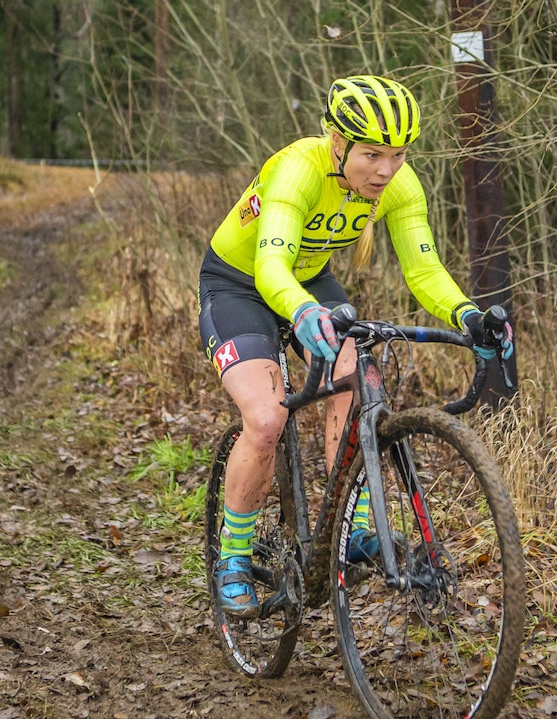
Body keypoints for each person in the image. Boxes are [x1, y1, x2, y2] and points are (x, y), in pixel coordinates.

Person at [196, 74, 514, 618]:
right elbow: (271, 266)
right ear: (338, 143)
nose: (386, 170)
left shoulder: (400, 185)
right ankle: (234, 556)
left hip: (310, 280)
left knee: (358, 380)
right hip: (241, 284)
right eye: (372, 155)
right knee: (268, 419)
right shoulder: (297, 168)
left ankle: (354, 528)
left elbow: (424, 269)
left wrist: (468, 314)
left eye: (398, 155)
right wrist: (299, 311)